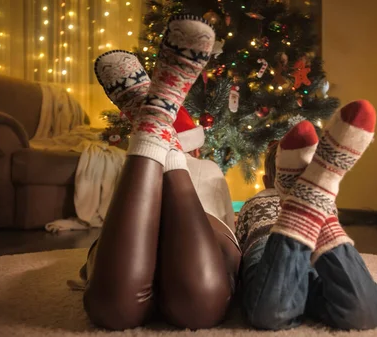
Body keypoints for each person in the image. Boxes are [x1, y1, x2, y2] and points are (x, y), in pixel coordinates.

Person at [79, 16, 240, 330]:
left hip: (139, 229)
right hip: (202, 230)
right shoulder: (209, 167)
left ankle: (153, 119)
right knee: (196, 305)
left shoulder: (196, 168)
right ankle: (156, 120)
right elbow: (227, 213)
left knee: (114, 309)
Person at [236, 101, 377, 331]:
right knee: (364, 312)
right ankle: (315, 201)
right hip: (311, 259)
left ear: (268, 182)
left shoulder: (253, 202)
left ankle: (300, 203)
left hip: (271, 255)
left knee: (272, 313)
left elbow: (238, 240)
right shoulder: (324, 201)